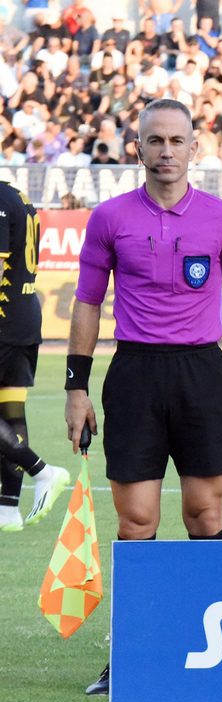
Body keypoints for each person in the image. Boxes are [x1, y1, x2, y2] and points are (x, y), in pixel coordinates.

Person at [66, 98, 222, 694]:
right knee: (136, 520)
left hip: (202, 375)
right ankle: (132, 655)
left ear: (194, 149)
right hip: (134, 375)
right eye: (155, 140)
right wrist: (76, 387)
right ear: (138, 149)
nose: (166, 151)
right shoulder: (109, 217)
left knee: (205, 513)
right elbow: (87, 303)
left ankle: (221, 652)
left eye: (177, 141)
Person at [0, 180, 69, 532]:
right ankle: (8, 506)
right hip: (24, 315)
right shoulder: (16, 195)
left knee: (10, 413)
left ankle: (41, 471)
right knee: (11, 412)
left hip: (4, 318)